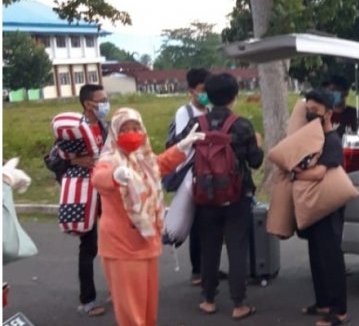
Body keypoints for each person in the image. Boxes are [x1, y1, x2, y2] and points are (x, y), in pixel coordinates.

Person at [92, 107, 204, 326]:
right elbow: (99, 178)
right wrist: (115, 176)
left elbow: (159, 165)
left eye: (136, 128)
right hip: (122, 246)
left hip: (147, 242)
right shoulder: (110, 159)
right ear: (115, 132)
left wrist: (181, 148)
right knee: (131, 309)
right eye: (125, 129)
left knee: (148, 305)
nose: (132, 133)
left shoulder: (143, 158)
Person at [187, 72, 263, 320]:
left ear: (207, 94)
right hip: (236, 196)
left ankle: (208, 299)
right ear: (234, 96)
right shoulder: (242, 125)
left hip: (205, 197)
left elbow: (180, 150)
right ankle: (238, 303)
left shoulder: (197, 124)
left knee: (209, 247)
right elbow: (255, 161)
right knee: (236, 247)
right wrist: (257, 144)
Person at [45, 83, 110, 317]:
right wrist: (74, 162)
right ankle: (88, 299)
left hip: (107, 191)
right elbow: (52, 160)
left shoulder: (104, 126)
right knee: (89, 245)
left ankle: (116, 286)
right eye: (101, 100)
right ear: (87, 104)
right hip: (84, 194)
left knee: (113, 241)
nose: (105, 104)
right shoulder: (71, 131)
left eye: (106, 99)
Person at [297, 89, 349, 326]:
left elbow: (319, 173)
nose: (310, 114)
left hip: (328, 206)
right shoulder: (313, 138)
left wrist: (297, 172)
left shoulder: (332, 141)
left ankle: (339, 311)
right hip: (315, 206)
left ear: (329, 113)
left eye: (315, 111)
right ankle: (323, 303)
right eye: (308, 110)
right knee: (316, 255)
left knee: (330, 257)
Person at [169, 67, 211, 286]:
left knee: (207, 221)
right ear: (192, 91)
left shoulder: (209, 109)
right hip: (190, 173)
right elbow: (181, 143)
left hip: (209, 170)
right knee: (196, 222)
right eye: (203, 90)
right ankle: (197, 270)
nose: (206, 95)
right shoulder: (184, 112)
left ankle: (208, 267)